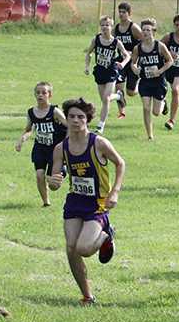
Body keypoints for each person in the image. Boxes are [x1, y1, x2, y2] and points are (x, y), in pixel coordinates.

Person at [48, 98, 125, 305]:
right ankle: (87, 296)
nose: (75, 120)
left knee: (83, 248)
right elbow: (55, 181)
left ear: (88, 120)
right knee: (71, 248)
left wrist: (115, 192)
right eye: (71, 116)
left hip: (96, 204)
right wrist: (52, 182)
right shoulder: (60, 148)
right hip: (75, 201)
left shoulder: (98, 143)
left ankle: (106, 235)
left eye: (80, 117)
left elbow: (120, 163)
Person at [15, 82, 67, 207]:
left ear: (50, 95)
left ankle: (62, 170)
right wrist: (21, 140)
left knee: (53, 185)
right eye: (38, 92)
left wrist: (68, 144)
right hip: (40, 148)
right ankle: (46, 202)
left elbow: (68, 126)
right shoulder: (31, 112)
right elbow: (28, 129)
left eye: (44, 92)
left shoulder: (55, 111)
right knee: (39, 175)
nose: (40, 95)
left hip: (55, 150)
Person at [83, 15, 129, 134]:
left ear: (111, 27)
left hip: (111, 71)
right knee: (104, 100)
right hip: (99, 71)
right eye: (102, 25)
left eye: (107, 25)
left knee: (106, 98)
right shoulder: (96, 40)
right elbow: (89, 53)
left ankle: (100, 126)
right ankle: (119, 96)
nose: (104, 27)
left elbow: (127, 55)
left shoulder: (116, 42)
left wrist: (123, 64)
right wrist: (87, 67)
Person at [130, 18, 174, 141]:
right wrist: (135, 69)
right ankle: (150, 135)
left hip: (158, 82)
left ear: (153, 32)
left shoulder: (160, 46)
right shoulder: (137, 48)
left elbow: (170, 61)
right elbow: (132, 63)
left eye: (148, 30)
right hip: (145, 82)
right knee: (145, 108)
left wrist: (159, 71)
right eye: (143, 30)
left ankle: (163, 102)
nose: (145, 32)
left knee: (156, 112)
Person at [113, 2, 143, 118]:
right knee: (118, 87)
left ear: (129, 13)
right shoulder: (116, 28)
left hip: (133, 62)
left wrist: (134, 52)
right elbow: (111, 41)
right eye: (119, 12)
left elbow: (145, 43)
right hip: (121, 61)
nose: (121, 14)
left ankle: (139, 84)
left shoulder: (134, 28)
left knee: (130, 92)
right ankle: (122, 111)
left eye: (124, 12)